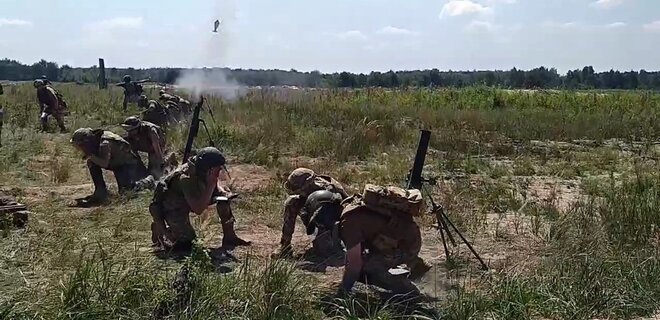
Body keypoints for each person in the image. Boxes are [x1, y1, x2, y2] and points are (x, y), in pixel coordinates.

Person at [308, 193, 431, 297]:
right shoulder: (348, 210)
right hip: (401, 237)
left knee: (365, 271)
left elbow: (354, 266)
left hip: (407, 243)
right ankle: (413, 263)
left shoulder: (348, 224)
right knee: (362, 264)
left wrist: (342, 293)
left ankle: (409, 292)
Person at [149, 147, 252, 251]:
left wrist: (222, 192)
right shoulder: (186, 178)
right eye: (216, 171)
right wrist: (211, 184)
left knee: (224, 200)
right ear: (208, 170)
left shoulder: (203, 167)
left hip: (191, 198)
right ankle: (160, 228)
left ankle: (230, 237)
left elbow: (214, 182)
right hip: (173, 206)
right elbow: (198, 209)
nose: (218, 173)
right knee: (187, 245)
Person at [272, 167, 348, 258]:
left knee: (323, 252)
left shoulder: (330, 192)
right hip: (313, 209)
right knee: (291, 203)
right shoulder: (308, 192)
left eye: (299, 190)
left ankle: (334, 244)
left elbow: (345, 211)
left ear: (308, 185)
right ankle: (285, 246)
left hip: (333, 218)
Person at [70, 127, 155, 207]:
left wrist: (90, 156)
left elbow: (104, 163)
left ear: (87, 141)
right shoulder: (95, 141)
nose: (80, 148)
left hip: (126, 163)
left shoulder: (104, 143)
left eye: (80, 145)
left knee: (126, 192)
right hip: (115, 162)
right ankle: (101, 192)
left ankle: (147, 181)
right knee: (92, 162)